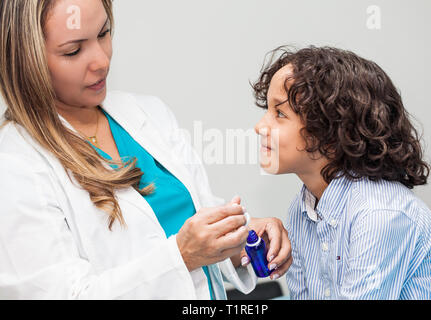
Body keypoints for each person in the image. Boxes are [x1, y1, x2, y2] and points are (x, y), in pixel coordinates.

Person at [0, 0, 292, 299]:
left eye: (104, 33)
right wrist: (181, 256)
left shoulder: (147, 113)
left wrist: (237, 237)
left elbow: (194, 220)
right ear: (26, 60)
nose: (102, 61)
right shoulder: (15, 165)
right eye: (74, 51)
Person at [252, 45, 431, 299]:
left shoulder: (379, 214)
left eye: (279, 113)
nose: (260, 127)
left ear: (333, 133)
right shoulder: (301, 209)